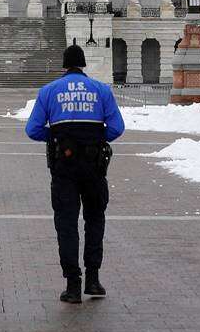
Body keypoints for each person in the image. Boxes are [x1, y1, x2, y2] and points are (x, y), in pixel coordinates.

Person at [25, 44, 125, 304]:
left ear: (64, 65)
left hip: (64, 167)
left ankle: (73, 284)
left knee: (66, 223)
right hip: (94, 166)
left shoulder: (49, 91)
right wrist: (94, 138)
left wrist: (57, 137)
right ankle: (93, 278)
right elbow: (117, 127)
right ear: (83, 65)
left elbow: (33, 129)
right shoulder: (101, 90)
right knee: (95, 219)